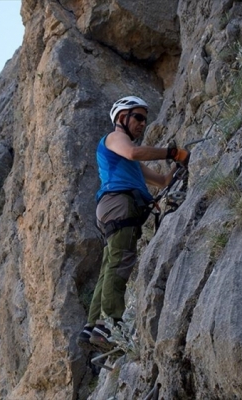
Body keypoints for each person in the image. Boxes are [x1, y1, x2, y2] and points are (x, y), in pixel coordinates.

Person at [77, 95, 190, 352]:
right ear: (121, 118)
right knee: (120, 261)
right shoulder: (115, 137)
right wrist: (173, 152)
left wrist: (181, 165)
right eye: (138, 117)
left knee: (110, 263)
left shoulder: (129, 165)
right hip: (119, 204)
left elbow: (162, 181)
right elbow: (133, 151)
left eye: (144, 119)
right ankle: (111, 324)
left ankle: (92, 325)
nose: (142, 124)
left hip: (113, 207)